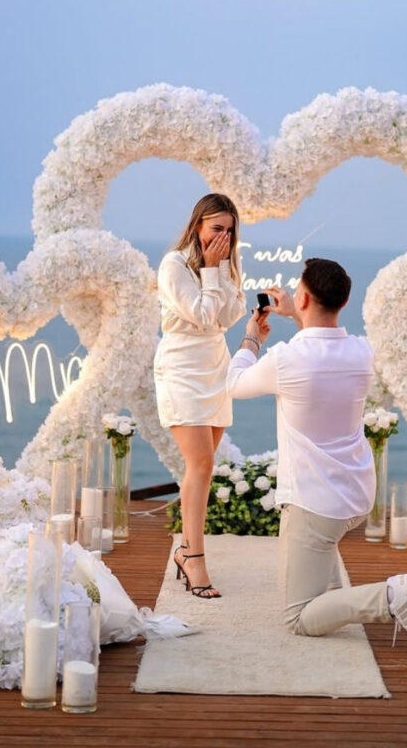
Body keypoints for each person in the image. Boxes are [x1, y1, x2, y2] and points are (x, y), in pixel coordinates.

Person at [226, 258, 407, 642]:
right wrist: (297, 314)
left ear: (302, 298)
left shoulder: (284, 359)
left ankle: (394, 596)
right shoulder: (361, 353)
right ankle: (342, 587)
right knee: (314, 569)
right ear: (344, 303)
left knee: (298, 616)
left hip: (315, 503)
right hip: (356, 495)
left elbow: (234, 383)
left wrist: (252, 337)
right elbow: (321, 340)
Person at [154, 193, 247, 599]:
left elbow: (227, 317)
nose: (223, 238)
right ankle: (194, 558)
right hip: (182, 370)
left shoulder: (224, 265)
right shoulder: (174, 265)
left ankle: (186, 551)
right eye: (216, 229)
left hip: (215, 368)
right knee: (200, 463)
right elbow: (204, 314)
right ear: (197, 227)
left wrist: (222, 272)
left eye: (229, 231)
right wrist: (211, 270)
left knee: (205, 470)